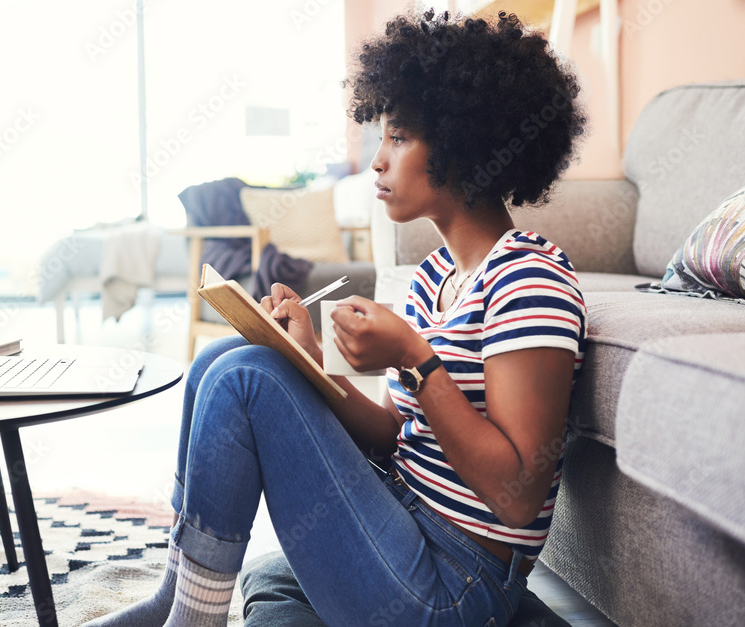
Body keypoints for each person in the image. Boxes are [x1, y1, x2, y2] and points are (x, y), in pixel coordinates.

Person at [84, 7, 587, 626]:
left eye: (398, 137)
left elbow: (519, 495)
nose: (377, 160)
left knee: (246, 381)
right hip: (407, 522)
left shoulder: (529, 279)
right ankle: (178, 597)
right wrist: (309, 363)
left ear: (464, 146)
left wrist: (414, 358)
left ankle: (191, 619)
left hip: (457, 581)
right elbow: (399, 437)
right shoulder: (434, 277)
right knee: (229, 363)